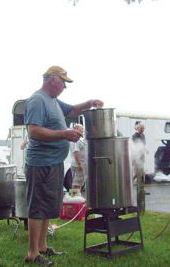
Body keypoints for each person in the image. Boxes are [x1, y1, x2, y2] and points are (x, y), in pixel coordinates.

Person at [24, 65, 103, 266]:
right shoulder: (37, 100)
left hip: (55, 162)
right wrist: (64, 134)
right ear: (53, 80)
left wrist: (90, 102)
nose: (65, 87)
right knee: (37, 207)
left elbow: (74, 109)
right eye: (63, 82)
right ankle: (32, 253)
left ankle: (42, 246)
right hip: (40, 163)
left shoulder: (54, 101)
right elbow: (34, 132)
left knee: (49, 206)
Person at [131, 122, 148, 214]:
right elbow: (135, 146)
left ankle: (139, 183)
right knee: (137, 172)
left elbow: (144, 145)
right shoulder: (134, 136)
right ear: (138, 128)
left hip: (142, 156)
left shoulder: (143, 136)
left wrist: (146, 150)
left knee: (141, 173)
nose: (142, 130)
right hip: (136, 157)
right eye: (141, 128)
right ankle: (133, 180)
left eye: (143, 129)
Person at [69, 124, 87, 193]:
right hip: (77, 165)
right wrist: (79, 164)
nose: (82, 131)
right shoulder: (75, 140)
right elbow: (76, 152)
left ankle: (76, 199)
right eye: (81, 129)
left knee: (78, 183)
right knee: (76, 184)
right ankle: (74, 199)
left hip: (79, 164)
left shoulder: (79, 139)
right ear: (76, 129)